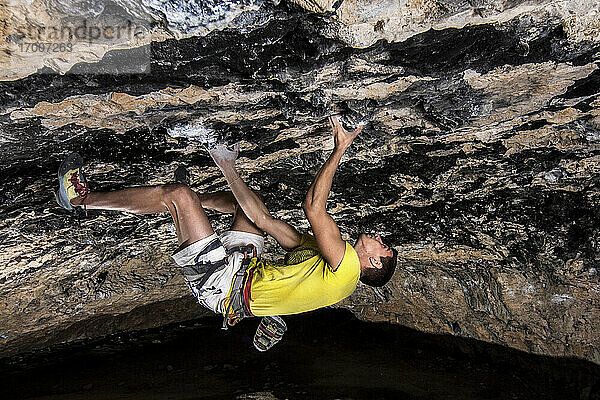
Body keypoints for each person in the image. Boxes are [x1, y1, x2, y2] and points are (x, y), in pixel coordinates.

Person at [56, 116, 397, 348]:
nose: (380, 239)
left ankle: (81, 200)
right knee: (248, 207)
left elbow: (313, 207)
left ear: (376, 263)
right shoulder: (322, 255)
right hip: (248, 267)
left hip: (224, 286)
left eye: (384, 247)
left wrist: (340, 148)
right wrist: (227, 165)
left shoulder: (349, 267)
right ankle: (191, 204)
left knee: (178, 195)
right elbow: (264, 221)